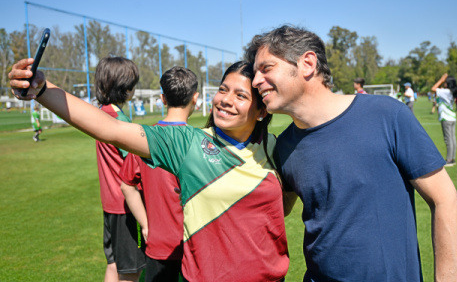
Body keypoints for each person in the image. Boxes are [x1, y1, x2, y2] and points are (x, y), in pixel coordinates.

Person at [9, 59, 291, 282]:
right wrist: (43, 90)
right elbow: (110, 129)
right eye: (222, 89)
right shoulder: (188, 144)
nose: (225, 100)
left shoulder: (276, 147)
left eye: (240, 95)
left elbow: (282, 207)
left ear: (261, 111)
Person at [245, 25, 457, 282]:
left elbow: (445, 202)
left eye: (266, 68)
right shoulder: (282, 146)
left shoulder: (387, 115)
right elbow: (273, 210)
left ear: (307, 64)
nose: (256, 80)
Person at [120, 66, 199, 282]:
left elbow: (126, 185)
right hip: (196, 243)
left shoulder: (144, 140)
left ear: (162, 99)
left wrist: (145, 224)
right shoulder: (201, 141)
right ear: (196, 98)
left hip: (159, 243)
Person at [92, 57, 146, 282]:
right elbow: (138, 168)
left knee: (114, 264)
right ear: (126, 88)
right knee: (130, 272)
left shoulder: (100, 113)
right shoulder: (119, 122)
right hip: (125, 207)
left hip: (110, 204)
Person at [432, 73, 457, 167]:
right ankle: (452, 158)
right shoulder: (452, 92)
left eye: (445, 82)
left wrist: (441, 79)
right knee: (452, 138)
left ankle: (449, 160)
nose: (444, 83)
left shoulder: (446, 92)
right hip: (452, 117)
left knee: (448, 139)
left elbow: (433, 88)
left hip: (446, 118)